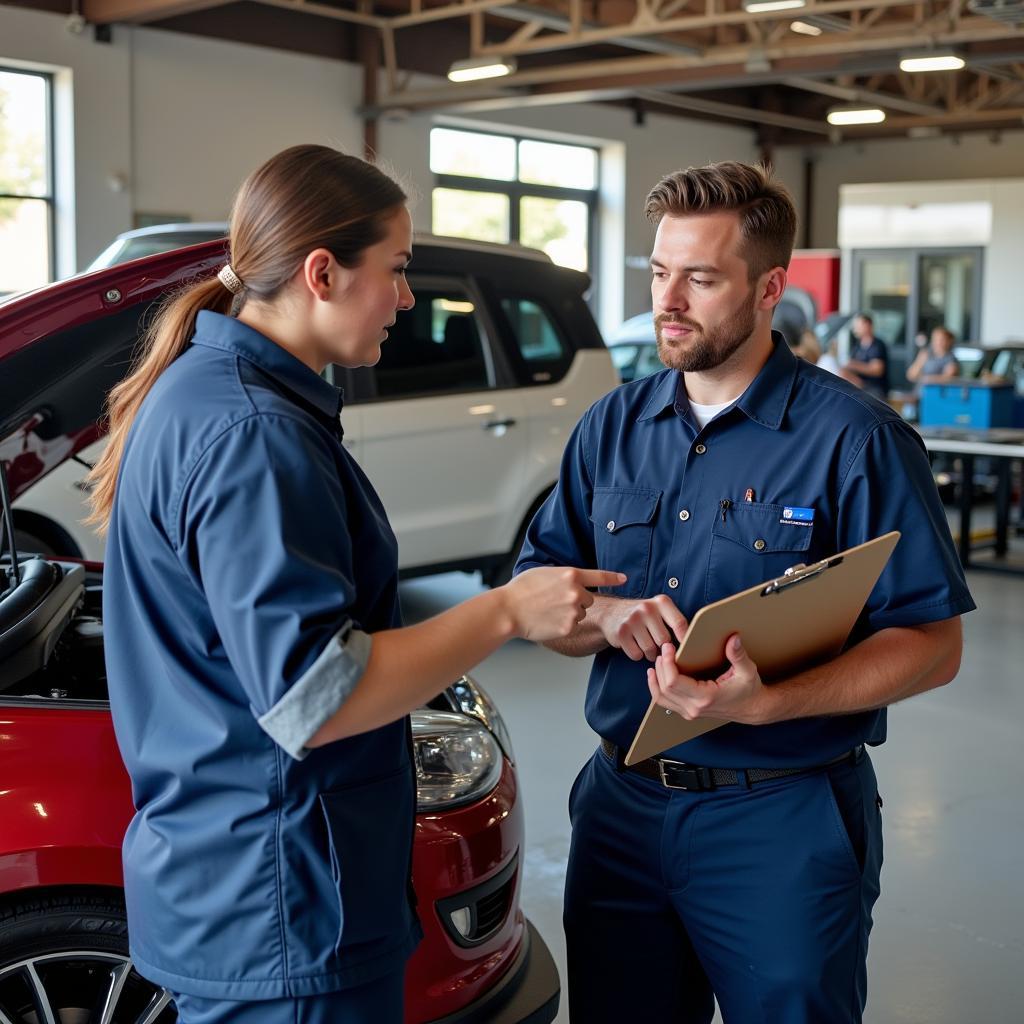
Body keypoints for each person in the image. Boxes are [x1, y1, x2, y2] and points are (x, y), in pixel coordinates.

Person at [87, 145, 623, 1024]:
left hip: (231, 883)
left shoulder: (200, 393)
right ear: (322, 272)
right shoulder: (254, 434)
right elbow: (317, 697)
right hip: (283, 909)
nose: (409, 299)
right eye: (399, 270)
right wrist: (505, 610)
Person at [514, 161, 974, 1024]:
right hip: (621, 805)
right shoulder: (611, 428)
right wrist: (606, 617)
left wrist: (772, 704)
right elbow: (538, 591)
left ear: (769, 289)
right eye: (658, 273)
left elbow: (933, 644)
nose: (670, 299)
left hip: (781, 817)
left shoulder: (856, 441)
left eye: (700, 277)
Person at [843, 312, 889, 398]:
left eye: (858, 326)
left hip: (875, 390)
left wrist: (853, 365)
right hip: (859, 388)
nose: (855, 329)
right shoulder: (857, 346)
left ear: (867, 325)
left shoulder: (877, 345)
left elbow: (877, 370)